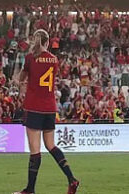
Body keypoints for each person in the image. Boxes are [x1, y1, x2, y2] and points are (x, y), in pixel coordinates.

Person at [14, 29, 80, 194]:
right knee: (51, 145)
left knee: (35, 150)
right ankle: (71, 179)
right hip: (50, 107)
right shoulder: (54, 59)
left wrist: (17, 79)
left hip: (34, 106)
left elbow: (21, 80)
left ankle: (30, 189)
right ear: (47, 42)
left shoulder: (30, 58)